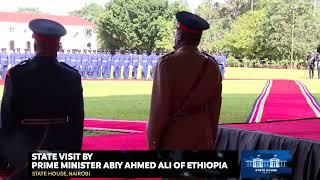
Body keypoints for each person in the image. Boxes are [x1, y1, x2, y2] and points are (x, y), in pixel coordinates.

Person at [0, 19, 84, 179]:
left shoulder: (17, 75)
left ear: (35, 43)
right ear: (58, 46)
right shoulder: (72, 77)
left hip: (23, 158)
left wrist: (2, 163)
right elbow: (77, 123)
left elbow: (6, 123)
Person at [147, 11, 222, 150]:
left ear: (180, 35)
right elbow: (215, 109)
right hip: (203, 138)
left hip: (175, 139)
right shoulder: (212, 65)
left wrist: (152, 142)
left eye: (176, 32)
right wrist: (210, 138)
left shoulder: (167, 64)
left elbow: (159, 111)